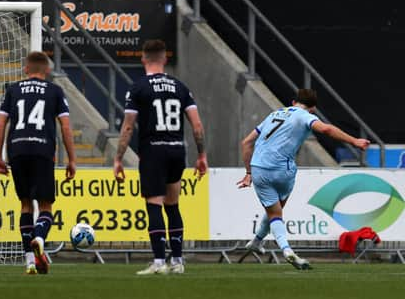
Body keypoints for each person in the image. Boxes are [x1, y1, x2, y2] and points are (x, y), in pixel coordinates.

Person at [237, 89, 370, 269]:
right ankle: (287, 251)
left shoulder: (274, 114)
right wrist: (354, 141)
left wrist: (248, 173)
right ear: (313, 109)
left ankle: (257, 241)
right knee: (276, 213)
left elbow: (246, 143)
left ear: (293, 102)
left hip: (258, 168)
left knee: (273, 212)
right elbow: (326, 129)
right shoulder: (304, 116)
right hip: (282, 170)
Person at [114, 39, 208, 275]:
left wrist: (118, 158)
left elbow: (127, 127)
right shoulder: (181, 87)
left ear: (143, 59)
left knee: (153, 204)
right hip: (177, 149)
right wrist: (202, 155)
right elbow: (197, 125)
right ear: (165, 59)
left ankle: (158, 262)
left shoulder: (138, 88)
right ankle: (177, 261)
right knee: (173, 205)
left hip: (153, 149)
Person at [0, 51, 76, 275]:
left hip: (17, 149)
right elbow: (66, 127)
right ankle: (39, 238)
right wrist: (72, 159)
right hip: (42, 149)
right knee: (46, 206)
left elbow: (1, 124)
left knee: (26, 205)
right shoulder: (55, 91)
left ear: (25, 69)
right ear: (47, 70)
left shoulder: (13, 90)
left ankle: (30, 261)